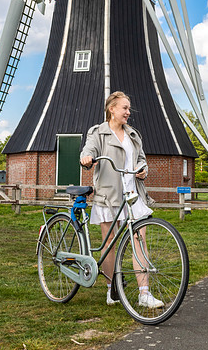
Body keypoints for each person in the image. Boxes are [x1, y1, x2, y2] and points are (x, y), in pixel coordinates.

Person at [80, 91, 163, 308]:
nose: (128, 112)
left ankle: (144, 293)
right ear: (112, 109)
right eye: (124, 108)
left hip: (133, 194)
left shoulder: (133, 135)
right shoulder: (98, 133)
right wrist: (86, 158)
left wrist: (143, 170)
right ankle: (112, 288)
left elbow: (142, 160)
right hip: (109, 194)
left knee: (140, 242)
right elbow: (88, 150)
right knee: (109, 243)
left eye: (128, 108)